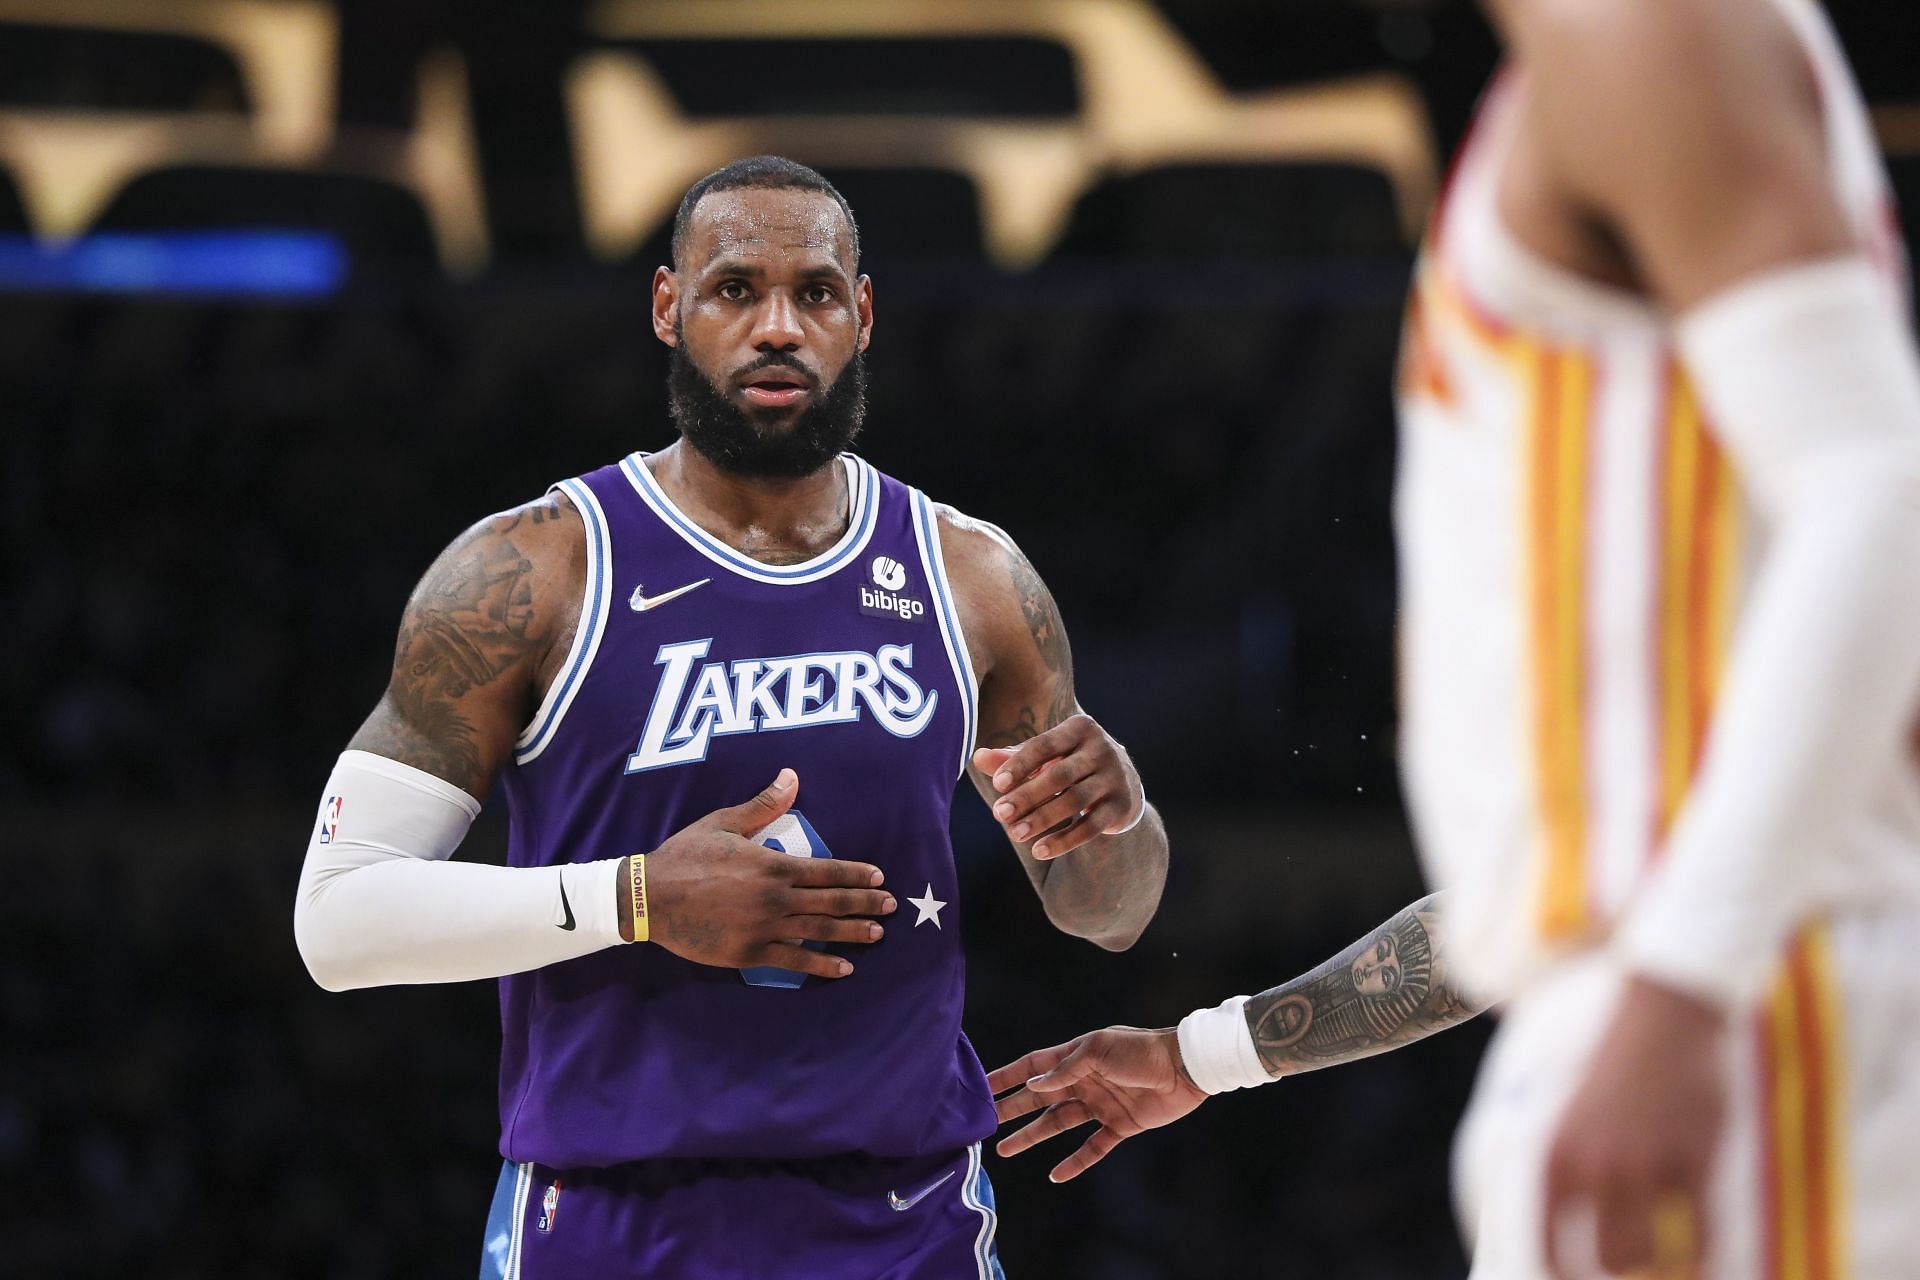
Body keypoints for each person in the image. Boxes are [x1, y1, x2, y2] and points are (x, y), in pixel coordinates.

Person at [990, 1, 1920, 1277]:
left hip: (1742, 1007)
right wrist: (1199, 1055)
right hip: (1673, 999)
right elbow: (1553, 873)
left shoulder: (1645, 28)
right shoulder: (1608, 77)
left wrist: (1684, 985)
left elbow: (1879, 491)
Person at [292, 155, 1169, 1279]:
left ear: (862, 315)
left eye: (813, 293)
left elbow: (1109, 911)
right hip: (611, 1216)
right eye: (734, 288)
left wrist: (1119, 818)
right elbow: (338, 918)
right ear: (669, 307)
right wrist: (640, 896)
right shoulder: (533, 568)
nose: (777, 327)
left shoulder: (975, 578)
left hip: (903, 1216)